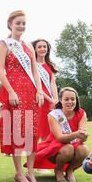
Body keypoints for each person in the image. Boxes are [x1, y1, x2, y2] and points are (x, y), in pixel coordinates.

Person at [0, 10, 44, 182]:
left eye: (24, 23)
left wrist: (39, 90)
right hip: (13, 91)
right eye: (18, 23)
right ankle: (19, 173)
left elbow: (35, 71)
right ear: (10, 24)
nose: (21, 26)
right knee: (17, 132)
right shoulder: (4, 44)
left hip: (31, 92)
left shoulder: (28, 46)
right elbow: (0, 71)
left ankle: (30, 172)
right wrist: (10, 91)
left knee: (32, 133)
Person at [31, 87, 89, 182]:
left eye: (72, 99)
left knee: (84, 149)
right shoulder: (53, 115)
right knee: (68, 148)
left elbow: (81, 138)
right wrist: (76, 134)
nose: (70, 102)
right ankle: (59, 170)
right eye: (66, 99)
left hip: (73, 144)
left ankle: (70, 170)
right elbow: (60, 138)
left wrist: (84, 137)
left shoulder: (81, 113)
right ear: (61, 100)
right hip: (56, 146)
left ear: (76, 100)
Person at [32, 38, 59, 174]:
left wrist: (56, 99)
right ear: (35, 49)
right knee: (36, 133)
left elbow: (52, 83)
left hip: (50, 104)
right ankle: (35, 164)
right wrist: (49, 99)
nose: (42, 49)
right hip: (39, 101)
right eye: (39, 47)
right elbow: (37, 86)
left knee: (48, 134)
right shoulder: (32, 65)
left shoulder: (50, 65)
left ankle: (43, 164)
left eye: (44, 46)